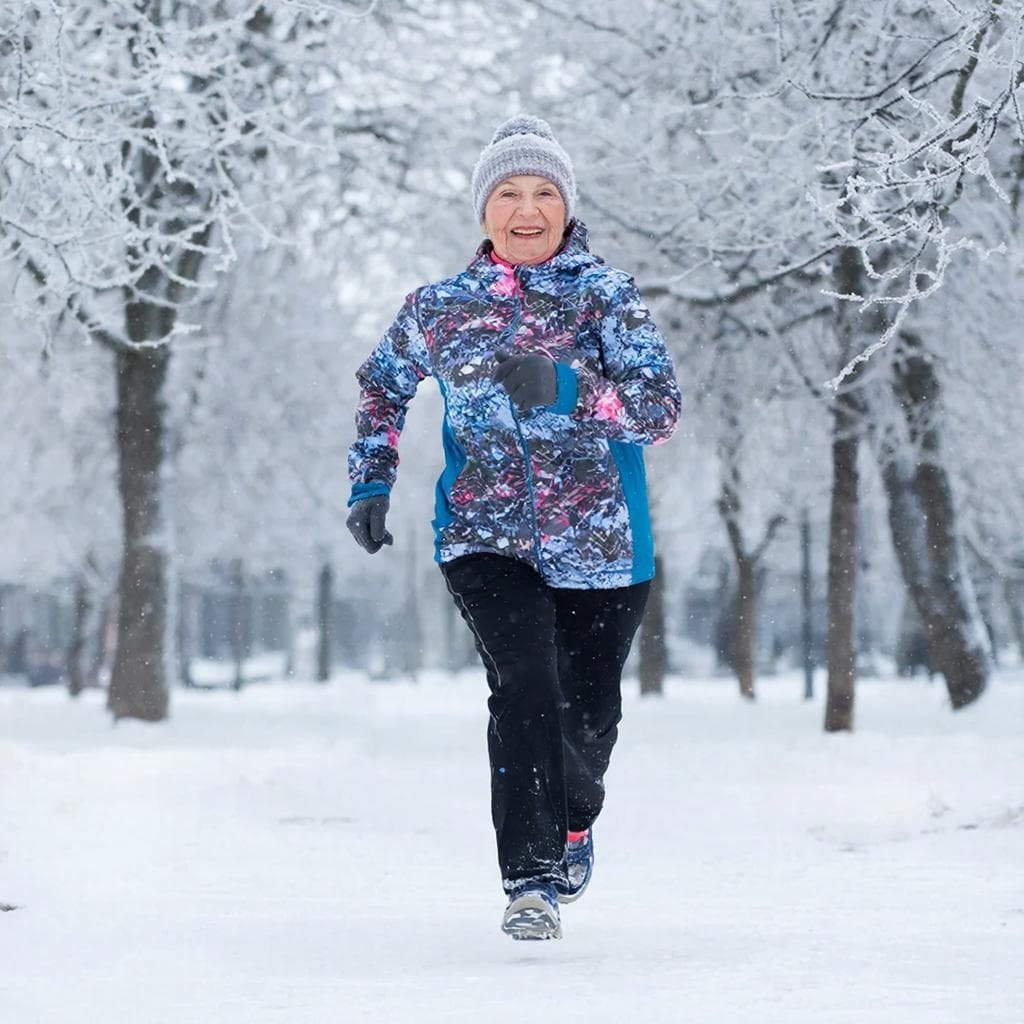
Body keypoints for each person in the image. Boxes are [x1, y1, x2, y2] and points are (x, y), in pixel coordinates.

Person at [345, 115, 681, 940]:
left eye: (542, 193)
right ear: (483, 210)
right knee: (526, 687)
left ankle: (573, 822)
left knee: (588, 718)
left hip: (604, 544)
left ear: (565, 207)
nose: (525, 210)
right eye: (507, 193)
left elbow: (658, 409)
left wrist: (569, 387)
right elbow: (383, 387)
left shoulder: (606, 295)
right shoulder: (440, 308)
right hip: (483, 537)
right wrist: (371, 481)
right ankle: (529, 880)